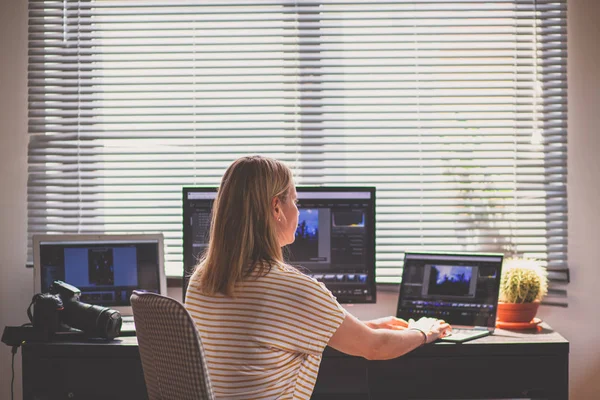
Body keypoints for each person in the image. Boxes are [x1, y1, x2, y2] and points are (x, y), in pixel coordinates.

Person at [185, 155, 452, 400]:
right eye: (295, 201)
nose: (298, 212)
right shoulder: (293, 289)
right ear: (276, 208)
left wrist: (361, 325)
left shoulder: (202, 280)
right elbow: (376, 347)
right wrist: (424, 332)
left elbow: (259, 336)